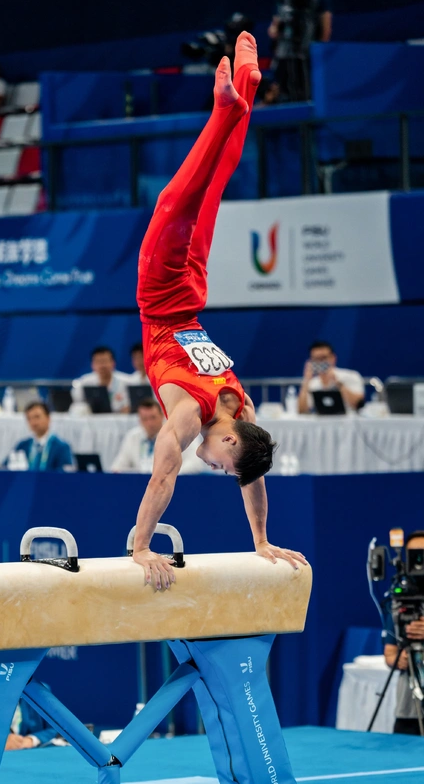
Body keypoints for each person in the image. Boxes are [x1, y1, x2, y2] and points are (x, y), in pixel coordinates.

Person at [131, 32, 306, 589]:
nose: (214, 466)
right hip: (163, 300)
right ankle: (225, 108)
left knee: (211, 189)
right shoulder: (190, 418)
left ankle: (249, 89)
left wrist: (260, 539)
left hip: (193, 296)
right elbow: (164, 475)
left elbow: (252, 476)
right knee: (178, 198)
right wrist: (139, 546)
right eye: (220, 464)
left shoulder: (245, 414)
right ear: (228, 440)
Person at [383, 531, 424, 736]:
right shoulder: (397, 600)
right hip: (409, 705)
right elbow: (390, 653)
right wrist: (397, 659)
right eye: (415, 554)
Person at [268, 0, 332, 101]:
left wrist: (318, 57)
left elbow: (326, 29)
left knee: (307, 95)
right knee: (284, 95)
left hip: (307, 57)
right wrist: (275, 30)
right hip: (284, 56)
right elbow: (274, 27)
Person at [111, 399, 203, 474]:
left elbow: (195, 464)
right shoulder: (132, 437)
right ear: (139, 420)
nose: (149, 423)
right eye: (145, 419)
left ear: (162, 416)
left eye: (153, 418)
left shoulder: (180, 433)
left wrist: (170, 475)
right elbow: (117, 468)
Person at [297, 340, 365, 414]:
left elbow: (358, 404)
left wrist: (337, 383)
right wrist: (306, 381)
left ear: (333, 358)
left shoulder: (351, 376)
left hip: (349, 423)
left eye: (324, 358)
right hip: (321, 424)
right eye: (316, 359)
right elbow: (301, 411)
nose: (320, 362)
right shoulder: (312, 383)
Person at [6, 401, 73, 471]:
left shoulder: (61, 447)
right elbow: (6, 467)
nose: (33, 422)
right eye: (29, 418)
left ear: (48, 418)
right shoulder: (22, 445)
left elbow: (66, 474)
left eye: (37, 417)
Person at [71, 346, 131, 413]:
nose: (102, 366)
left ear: (113, 363)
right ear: (92, 365)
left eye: (105, 361)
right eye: (98, 362)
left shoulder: (127, 381)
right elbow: (76, 400)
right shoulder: (85, 381)